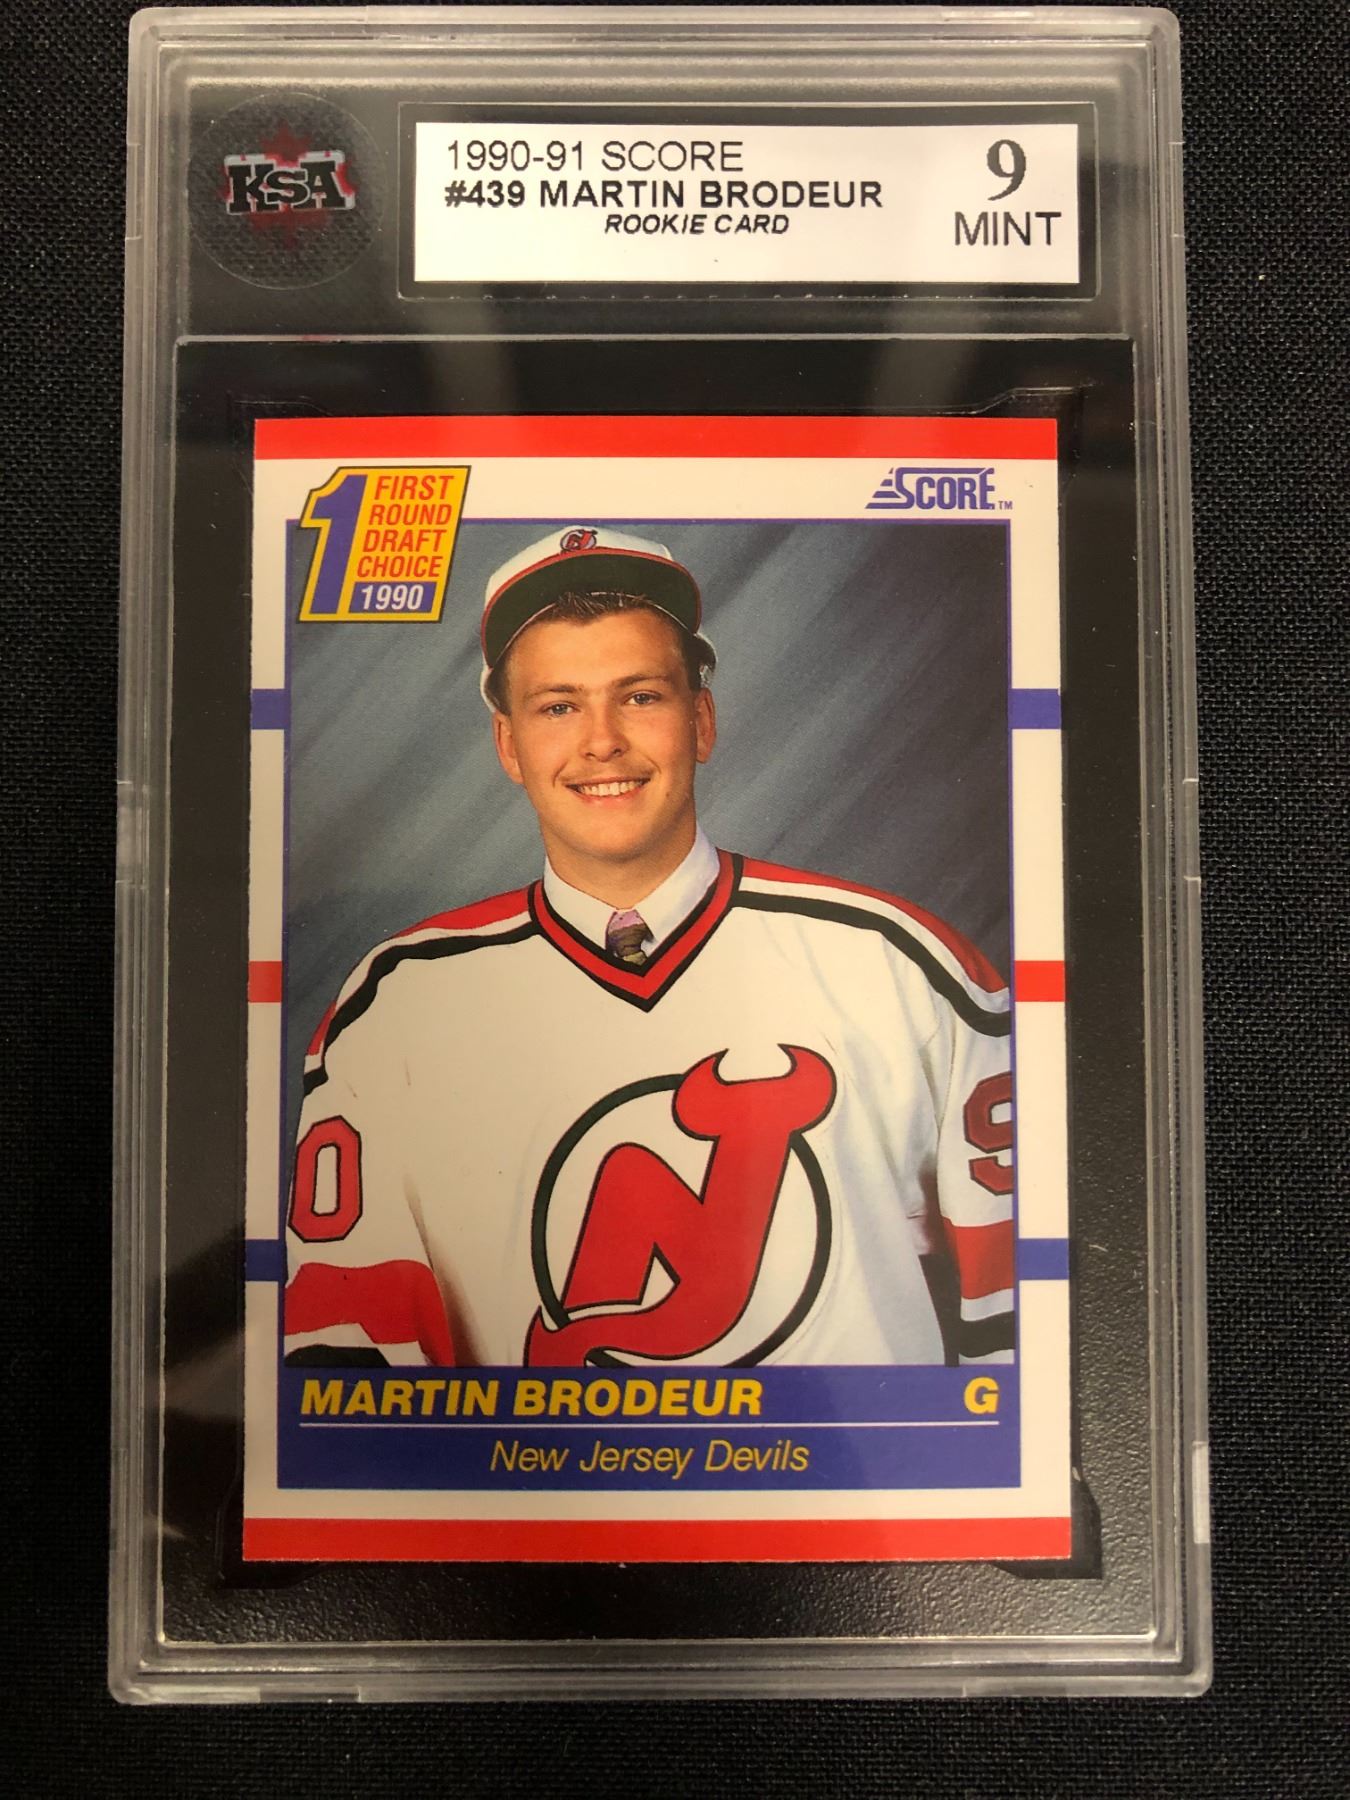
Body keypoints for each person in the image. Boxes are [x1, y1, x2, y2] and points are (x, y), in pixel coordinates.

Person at [283, 527, 1013, 1370]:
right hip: (534, 1462)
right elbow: (347, 1376)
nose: (602, 741)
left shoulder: (901, 965)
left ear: (700, 720)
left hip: (840, 1462)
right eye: (559, 706)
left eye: (639, 696)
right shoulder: (394, 1007)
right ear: (509, 744)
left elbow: (1014, 1339)